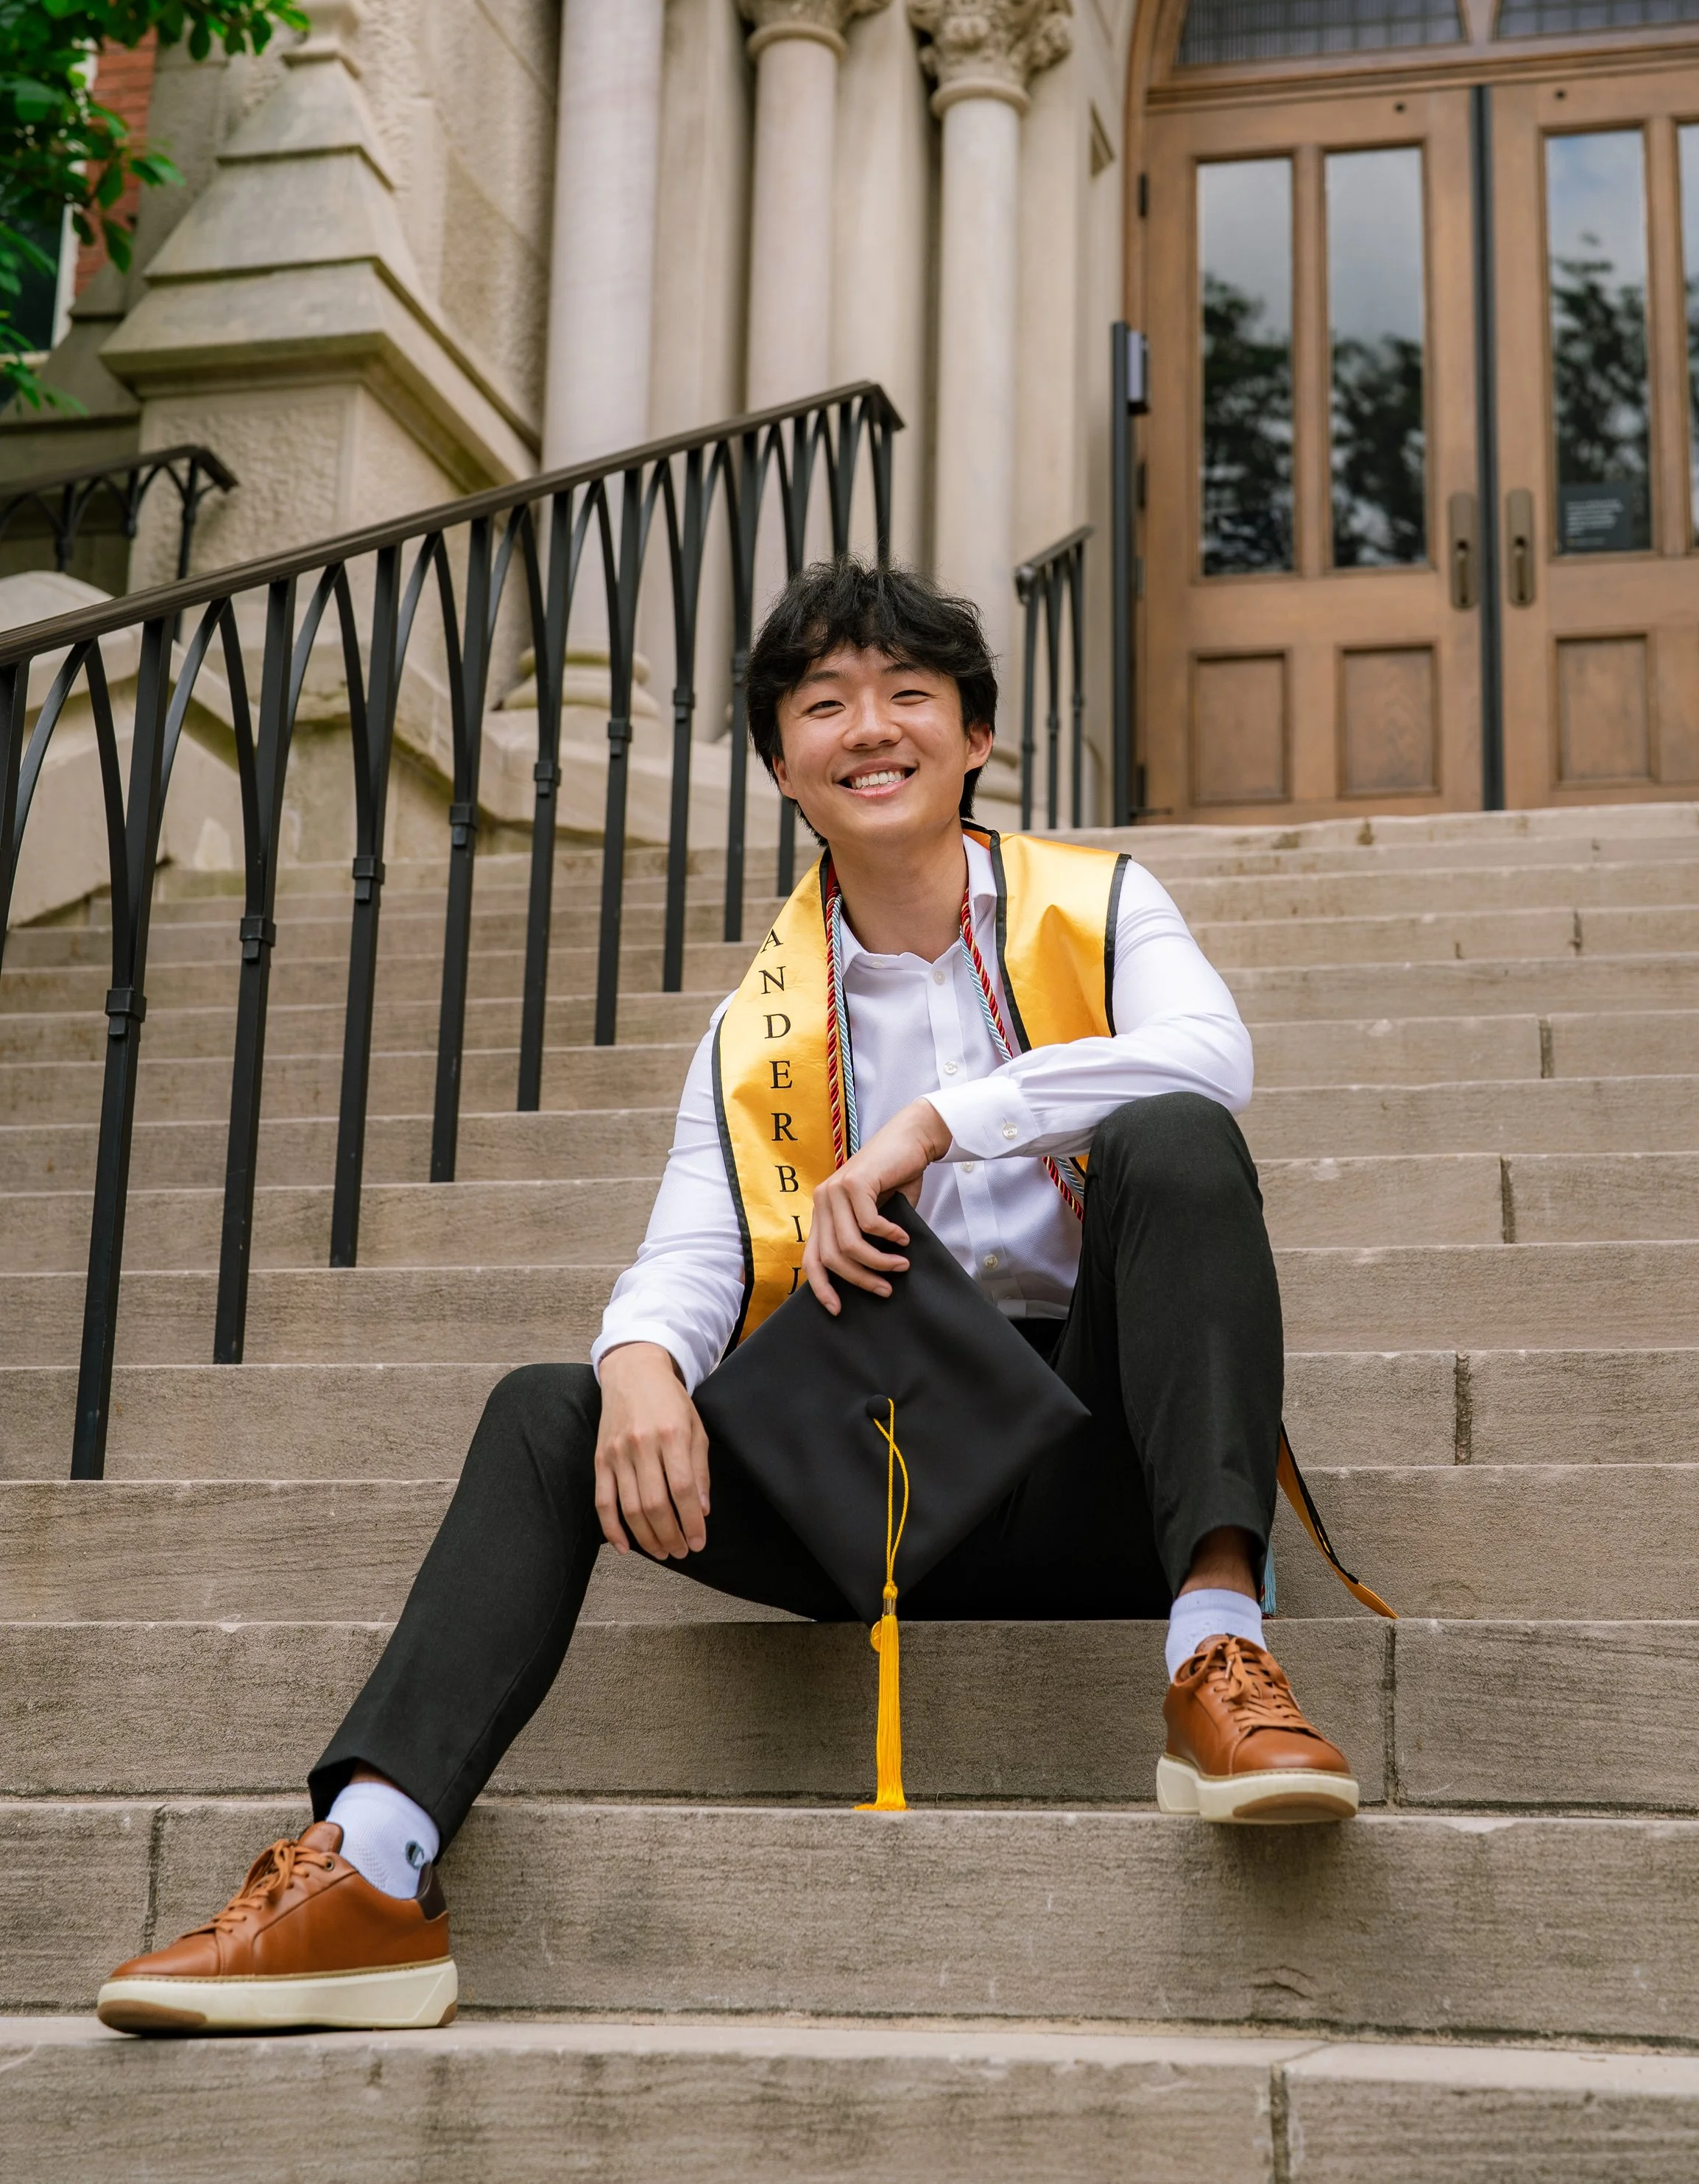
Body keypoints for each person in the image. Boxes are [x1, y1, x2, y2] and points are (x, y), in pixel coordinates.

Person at [97, 560, 1365, 2036]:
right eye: (823, 705)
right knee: (549, 1407)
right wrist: (637, 1361)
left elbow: (1210, 1054)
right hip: (883, 1492)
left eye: (907, 694)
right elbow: (696, 1248)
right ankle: (370, 1873)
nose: (868, 727)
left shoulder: (1101, 904)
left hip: (1107, 1468)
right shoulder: (757, 1016)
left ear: (975, 741)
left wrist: (940, 1122)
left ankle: (1218, 1648)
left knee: (1176, 1136)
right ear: (782, 766)